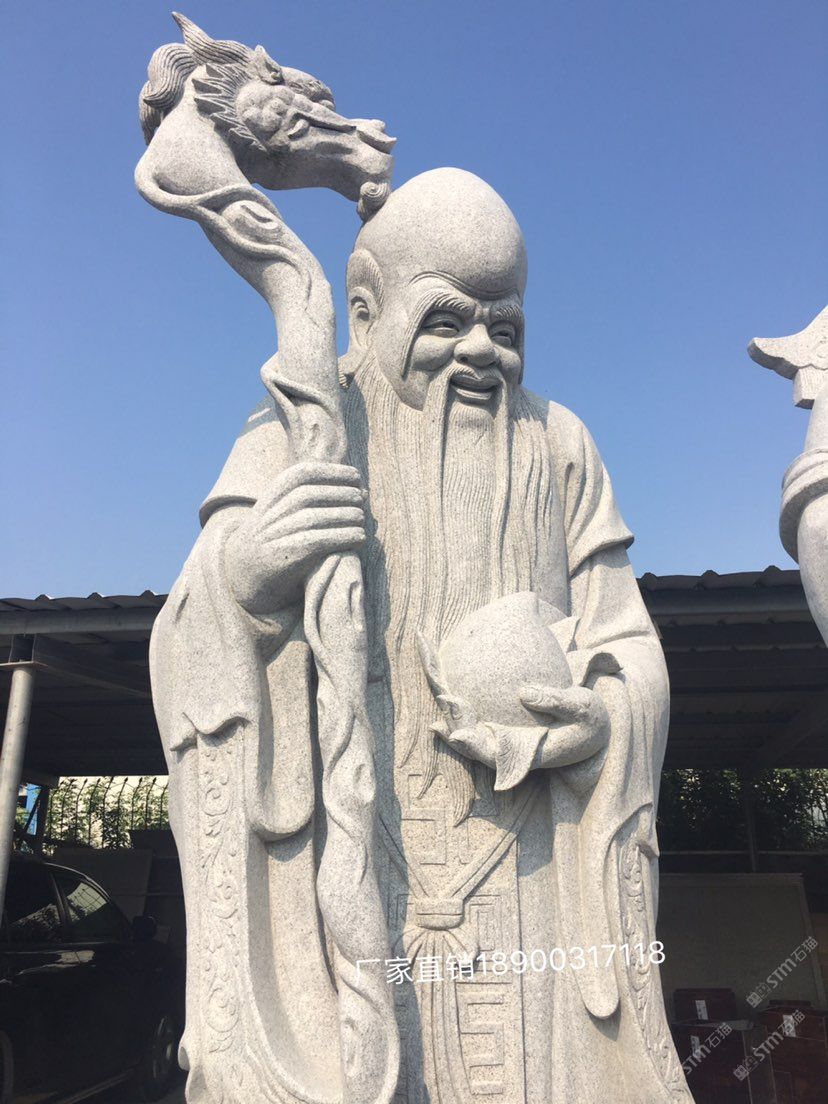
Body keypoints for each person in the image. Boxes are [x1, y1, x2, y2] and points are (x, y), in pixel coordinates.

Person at [151, 168, 690, 1103]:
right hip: (357, 868)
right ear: (366, 312)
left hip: (528, 871)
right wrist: (246, 576)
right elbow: (186, 632)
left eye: (505, 327)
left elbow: (627, 641)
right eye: (446, 320)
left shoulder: (559, 444)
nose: (480, 349)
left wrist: (603, 720)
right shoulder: (304, 425)